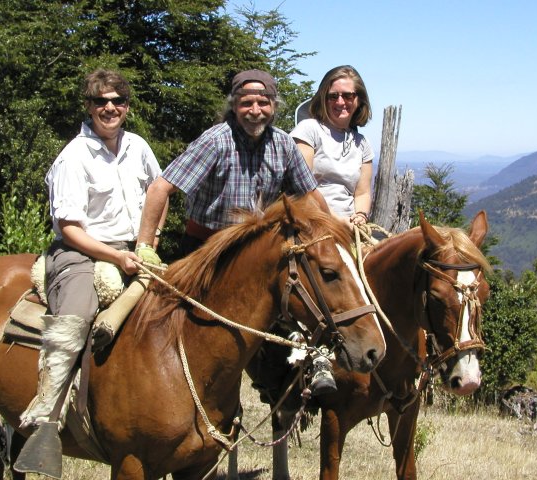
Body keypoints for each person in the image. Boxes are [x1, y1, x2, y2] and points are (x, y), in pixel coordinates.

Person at [136, 69, 337, 394]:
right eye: (247, 102)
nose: (255, 110)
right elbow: (160, 188)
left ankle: (300, 375)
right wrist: (145, 246)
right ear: (234, 105)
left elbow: (312, 196)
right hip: (205, 251)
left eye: (263, 102)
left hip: (255, 256)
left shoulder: (283, 145)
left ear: (274, 106)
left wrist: (330, 240)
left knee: (300, 304)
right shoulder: (216, 141)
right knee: (182, 330)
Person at [20, 69, 164, 429]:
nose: (110, 107)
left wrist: (150, 240)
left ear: (127, 106)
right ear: (88, 106)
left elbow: (158, 193)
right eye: (101, 101)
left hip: (135, 249)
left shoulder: (139, 146)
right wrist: (116, 256)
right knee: (75, 319)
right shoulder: (74, 156)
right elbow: (69, 228)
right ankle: (46, 413)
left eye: (118, 100)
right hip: (81, 252)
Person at [291, 65, 374, 227]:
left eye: (348, 96)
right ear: (323, 99)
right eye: (333, 96)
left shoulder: (362, 143)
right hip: (312, 222)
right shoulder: (308, 130)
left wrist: (361, 216)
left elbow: (362, 192)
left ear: (359, 100)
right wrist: (338, 221)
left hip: (349, 224)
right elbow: (304, 189)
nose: (340, 102)